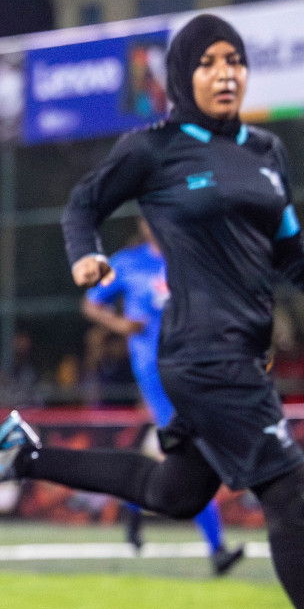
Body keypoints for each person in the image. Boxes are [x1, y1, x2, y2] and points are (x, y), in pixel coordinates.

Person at [0, 14, 304, 609]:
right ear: (181, 75)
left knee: (172, 492)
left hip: (243, 355)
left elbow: (290, 255)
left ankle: (23, 455)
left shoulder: (267, 152)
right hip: (203, 355)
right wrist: (86, 256)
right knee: (289, 494)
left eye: (235, 60)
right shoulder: (154, 149)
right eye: (208, 62)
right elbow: (83, 205)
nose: (226, 73)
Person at [81, 218, 243, 571]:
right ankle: (217, 549)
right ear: (145, 223)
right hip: (155, 371)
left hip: (194, 366)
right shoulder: (127, 262)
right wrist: (121, 325)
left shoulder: (189, 258)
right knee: (193, 450)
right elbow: (92, 303)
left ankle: (135, 506)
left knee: (173, 448)